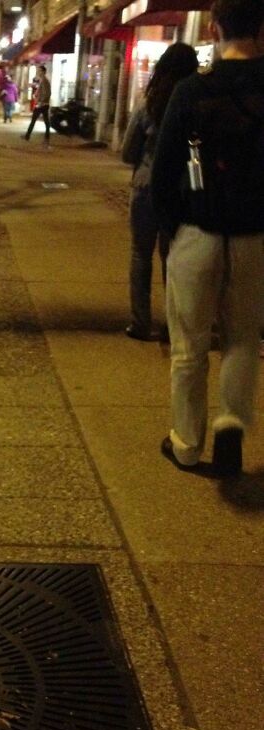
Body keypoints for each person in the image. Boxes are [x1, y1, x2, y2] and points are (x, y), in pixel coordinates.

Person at [152, 0, 264, 477]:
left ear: (215, 29)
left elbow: (163, 173)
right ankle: (232, 421)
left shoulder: (191, 91)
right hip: (254, 236)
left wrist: (175, 228)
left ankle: (185, 442)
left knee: (189, 347)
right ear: (262, 29)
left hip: (198, 232)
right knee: (242, 337)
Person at [121, 43, 199, 341]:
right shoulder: (193, 106)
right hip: (179, 190)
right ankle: (172, 325)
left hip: (144, 188)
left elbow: (128, 152)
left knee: (141, 255)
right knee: (173, 257)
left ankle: (140, 323)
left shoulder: (147, 104)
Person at [23, 65, 51, 145]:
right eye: (38, 70)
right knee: (44, 122)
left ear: (43, 72)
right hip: (42, 104)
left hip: (42, 105)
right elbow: (41, 90)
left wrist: (41, 102)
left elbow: (47, 93)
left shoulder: (44, 81)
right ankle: (45, 138)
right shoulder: (42, 80)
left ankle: (28, 136)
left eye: (39, 71)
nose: (38, 72)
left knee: (36, 121)